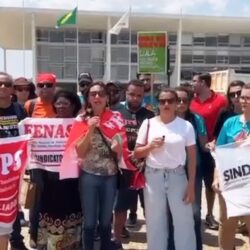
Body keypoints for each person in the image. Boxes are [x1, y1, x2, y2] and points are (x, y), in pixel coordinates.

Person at [134, 87, 196, 250]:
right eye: (162, 101)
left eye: (170, 101)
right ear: (157, 104)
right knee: (155, 222)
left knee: (184, 222)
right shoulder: (148, 124)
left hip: (178, 175)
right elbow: (137, 153)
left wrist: (191, 186)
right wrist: (150, 146)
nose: (166, 104)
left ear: (177, 103)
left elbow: (192, 157)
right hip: (153, 176)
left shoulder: (186, 126)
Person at [76, 82, 124, 250]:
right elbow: (80, 152)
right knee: (89, 222)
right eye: (93, 94)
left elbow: (121, 146)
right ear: (88, 98)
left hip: (110, 176)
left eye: (101, 94)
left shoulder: (117, 117)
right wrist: (89, 129)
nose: (97, 97)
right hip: (88, 176)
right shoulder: (81, 119)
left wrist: (118, 148)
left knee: (105, 221)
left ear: (107, 98)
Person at [111, 80, 154, 250]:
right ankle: (117, 238)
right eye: (132, 94)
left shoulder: (150, 116)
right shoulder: (115, 113)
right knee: (120, 207)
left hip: (145, 167)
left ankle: (154, 238)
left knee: (149, 206)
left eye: (139, 95)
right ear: (125, 94)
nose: (135, 98)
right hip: (121, 168)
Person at [36, 90, 82, 250]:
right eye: (58, 103)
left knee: (72, 209)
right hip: (50, 179)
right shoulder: (46, 124)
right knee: (51, 210)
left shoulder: (80, 124)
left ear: (74, 106)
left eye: (65, 103)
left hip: (73, 179)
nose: (61, 106)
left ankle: (72, 245)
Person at [213, 83, 250, 250]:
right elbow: (220, 153)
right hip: (231, 180)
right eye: (243, 97)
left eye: (249, 98)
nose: (244, 101)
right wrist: (216, 177)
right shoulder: (230, 123)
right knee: (227, 223)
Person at [190, 72, 227, 230]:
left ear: (204, 83)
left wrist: (217, 141)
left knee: (211, 184)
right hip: (194, 149)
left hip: (214, 149)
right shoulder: (192, 101)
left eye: (194, 81)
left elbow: (225, 121)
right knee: (195, 182)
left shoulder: (221, 100)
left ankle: (210, 214)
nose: (192, 84)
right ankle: (194, 214)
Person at [24, 73, 57, 248]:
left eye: (48, 85)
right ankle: (34, 233)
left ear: (54, 86)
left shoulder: (60, 104)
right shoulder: (30, 105)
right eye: (41, 85)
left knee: (55, 197)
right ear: (36, 87)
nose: (45, 88)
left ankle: (53, 231)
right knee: (36, 199)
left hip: (58, 162)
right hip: (37, 162)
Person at [175, 86, 208, 250]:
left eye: (184, 100)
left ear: (189, 102)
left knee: (194, 212)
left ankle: (196, 246)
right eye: (178, 100)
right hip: (172, 171)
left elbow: (203, 144)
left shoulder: (197, 120)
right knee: (172, 211)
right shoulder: (164, 119)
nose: (181, 103)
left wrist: (215, 146)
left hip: (193, 170)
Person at [0, 72, 28, 250]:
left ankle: (16, 242)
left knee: (14, 207)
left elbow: (25, 136)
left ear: (12, 89)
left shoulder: (20, 110)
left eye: (7, 84)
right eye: (0, 84)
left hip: (13, 170)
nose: (3, 87)